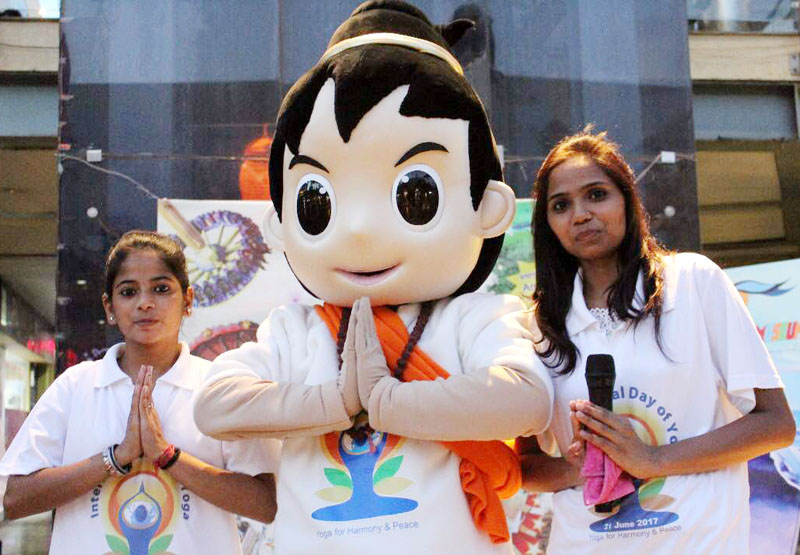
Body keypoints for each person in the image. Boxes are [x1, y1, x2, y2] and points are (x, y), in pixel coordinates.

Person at [193, 1, 553, 553]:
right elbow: (215, 404)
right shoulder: (295, 330)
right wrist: (336, 402)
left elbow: (526, 399)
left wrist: (386, 402)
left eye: (416, 195)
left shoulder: (474, 316)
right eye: (318, 201)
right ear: (284, 223)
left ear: (488, 206)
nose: (359, 228)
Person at [517, 128, 795, 553]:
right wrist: (582, 465)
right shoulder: (538, 325)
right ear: (548, 224)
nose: (580, 214)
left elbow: (774, 424)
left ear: (627, 200)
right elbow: (527, 466)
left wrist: (651, 460)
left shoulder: (694, 282)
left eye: (596, 194)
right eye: (561, 205)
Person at [0, 230, 279, 555]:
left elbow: (265, 504)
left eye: (161, 289)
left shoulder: (219, 386)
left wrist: (167, 455)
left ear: (188, 301)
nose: (145, 302)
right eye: (129, 291)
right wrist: (116, 457)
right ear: (109, 306)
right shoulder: (75, 386)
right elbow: (15, 498)